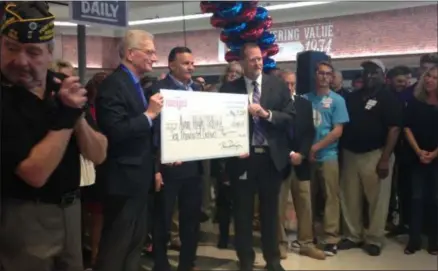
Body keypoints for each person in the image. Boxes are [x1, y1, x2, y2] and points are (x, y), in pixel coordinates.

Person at [0, 2, 107, 271]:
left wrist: (78, 115)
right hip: (22, 215)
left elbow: (98, 154)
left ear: (49, 53)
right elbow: (34, 173)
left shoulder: (61, 85)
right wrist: (67, 116)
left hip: (71, 210)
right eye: (10, 48)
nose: (20, 60)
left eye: (33, 52)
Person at [220, 42, 295, 271]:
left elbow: (290, 116)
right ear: (242, 63)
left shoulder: (277, 85)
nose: (257, 63)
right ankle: (246, 260)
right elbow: (221, 125)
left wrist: (267, 114)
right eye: (252, 59)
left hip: (270, 159)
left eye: (259, 59)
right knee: (242, 213)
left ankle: (272, 260)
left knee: (270, 213)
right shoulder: (229, 89)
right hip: (242, 157)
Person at [94, 29, 162, 271]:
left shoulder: (137, 86)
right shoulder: (113, 85)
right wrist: (149, 115)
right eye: (150, 52)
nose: (155, 57)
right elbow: (115, 131)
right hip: (122, 180)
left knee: (134, 243)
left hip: (140, 179)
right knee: (116, 246)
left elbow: (145, 137)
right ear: (131, 54)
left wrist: (154, 170)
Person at [339, 59, 401, 256]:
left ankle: (374, 239)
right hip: (350, 154)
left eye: (374, 72)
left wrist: (385, 159)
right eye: (366, 72)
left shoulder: (389, 97)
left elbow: (394, 129)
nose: (370, 76)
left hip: (376, 155)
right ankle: (353, 236)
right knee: (350, 197)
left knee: (377, 200)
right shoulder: (352, 97)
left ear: (383, 76)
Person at [149, 47, 203, 271]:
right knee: (162, 219)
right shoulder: (158, 91)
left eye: (192, 63)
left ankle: (187, 263)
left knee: (191, 220)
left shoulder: (198, 90)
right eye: (185, 63)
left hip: (194, 165)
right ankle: (161, 264)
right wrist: (156, 166)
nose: (191, 67)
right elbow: (151, 131)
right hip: (168, 166)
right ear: (171, 65)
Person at [277, 70, 326, 260]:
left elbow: (309, 132)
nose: (289, 87)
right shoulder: (272, 104)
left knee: (305, 205)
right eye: (286, 84)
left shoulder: (304, 104)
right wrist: (289, 154)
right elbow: (273, 134)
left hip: (302, 163)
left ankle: (306, 243)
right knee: (278, 207)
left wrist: (302, 154)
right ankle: (280, 244)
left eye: (292, 84)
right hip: (280, 162)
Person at [303, 61, 349, 256]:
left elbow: (337, 130)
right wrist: (307, 150)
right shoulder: (305, 99)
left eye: (328, 74)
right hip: (307, 157)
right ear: (315, 75)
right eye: (320, 73)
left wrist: (316, 147)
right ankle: (309, 235)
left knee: (331, 197)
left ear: (332, 77)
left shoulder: (338, 100)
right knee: (308, 198)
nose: (324, 77)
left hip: (328, 155)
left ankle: (331, 238)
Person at [403, 66, 438, 255]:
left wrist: (433, 154)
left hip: (436, 158)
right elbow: (407, 128)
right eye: (428, 76)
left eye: (435, 78)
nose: (430, 80)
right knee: (416, 198)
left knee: (435, 199)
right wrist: (419, 152)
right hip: (417, 156)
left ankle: (434, 241)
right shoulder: (415, 102)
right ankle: (414, 240)